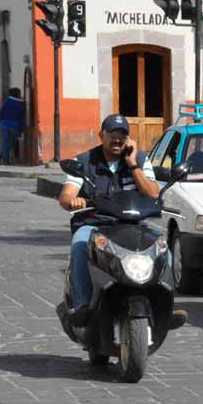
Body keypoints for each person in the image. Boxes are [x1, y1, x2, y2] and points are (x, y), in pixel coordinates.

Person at [58, 114, 162, 325]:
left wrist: (133, 165)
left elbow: (153, 194)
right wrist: (73, 201)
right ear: (101, 135)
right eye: (112, 134)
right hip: (95, 224)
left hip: (132, 224)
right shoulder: (84, 161)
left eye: (122, 135)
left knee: (162, 247)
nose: (117, 139)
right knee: (79, 243)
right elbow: (66, 195)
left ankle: (163, 306)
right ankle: (82, 306)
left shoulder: (140, 159)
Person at [0, 88, 26, 164]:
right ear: (18, 94)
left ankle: (5, 159)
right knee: (12, 141)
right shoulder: (21, 104)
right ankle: (3, 155)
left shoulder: (7, 101)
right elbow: (22, 116)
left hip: (4, 124)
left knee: (4, 142)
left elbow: (1, 113)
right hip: (15, 126)